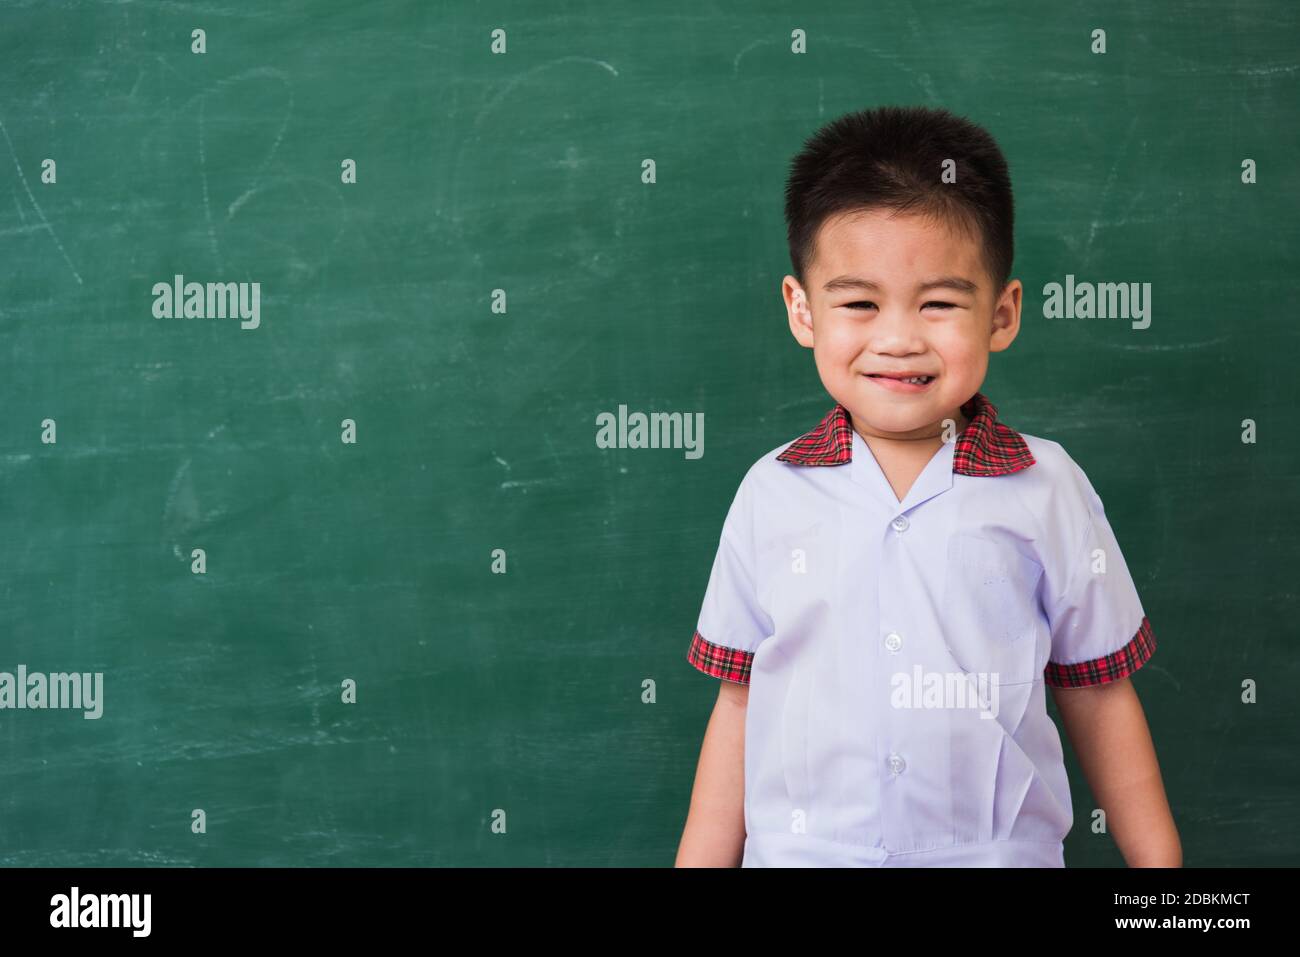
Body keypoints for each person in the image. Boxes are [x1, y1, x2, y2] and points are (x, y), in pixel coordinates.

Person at [676, 105, 1180, 867]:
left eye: (939, 302)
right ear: (802, 310)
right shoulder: (771, 492)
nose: (899, 338)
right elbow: (741, 698)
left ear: (1002, 313)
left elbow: (1097, 690)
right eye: (859, 303)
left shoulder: (1047, 488)